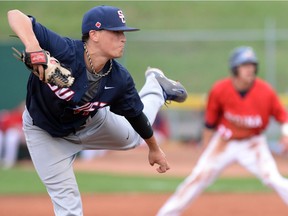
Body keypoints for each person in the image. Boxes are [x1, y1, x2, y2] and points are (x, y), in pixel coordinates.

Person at [7, 5, 187, 216]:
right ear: (94, 34)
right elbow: (15, 15)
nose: (123, 38)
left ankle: (155, 87)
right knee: (68, 206)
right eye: (116, 32)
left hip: (93, 123)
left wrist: (154, 148)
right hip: (45, 133)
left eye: (123, 33)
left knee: (135, 137)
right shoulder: (64, 50)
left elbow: (136, 116)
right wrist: (33, 47)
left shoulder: (120, 79)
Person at [157, 46, 288, 216]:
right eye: (245, 65)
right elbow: (210, 124)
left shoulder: (266, 91)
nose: (250, 69)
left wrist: (285, 134)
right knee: (198, 177)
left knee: (274, 178)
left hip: (253, 144)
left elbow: (283, 117)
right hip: (223, 142)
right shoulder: (220, 89)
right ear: (235, 68)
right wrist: (205, 148)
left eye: (252, 65)